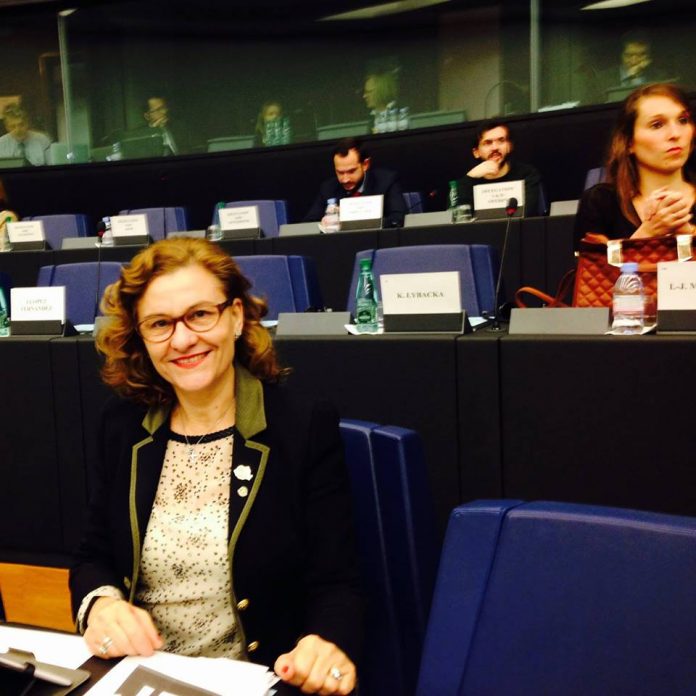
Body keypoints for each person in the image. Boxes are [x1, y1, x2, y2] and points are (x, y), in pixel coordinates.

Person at [69, 238, 362, 695]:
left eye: (200, 315)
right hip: (139, 677)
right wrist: (101, 606)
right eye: (160, 323)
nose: (182, 339)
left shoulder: (300, 426)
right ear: (141, 337)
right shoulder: (122, 424)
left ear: (236, 317)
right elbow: (94, 555)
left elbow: (338, 580)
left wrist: (326, 643)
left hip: (254, 681)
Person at [575, 83, 695, 248]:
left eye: (683, 120)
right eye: (657, 125)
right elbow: (588, 263)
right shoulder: (601, 202)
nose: (675, 134)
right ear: (629, 142)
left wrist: (689, 237)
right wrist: (647, 233)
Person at [305, 137, 406, 227]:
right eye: (340, 172)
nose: (345, 179)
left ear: (365, 164)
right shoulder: (328, 188)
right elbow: (309, 223)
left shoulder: (386, 181)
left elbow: (397, 219)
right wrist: (323, 222)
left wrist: (361, 221)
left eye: (351, 171)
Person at [455, 121, 542, 215]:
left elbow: (528, 214)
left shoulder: (527, 174)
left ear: (509, 146)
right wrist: (469, 178)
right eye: (488, 143)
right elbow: (456, 216)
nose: (495, 147)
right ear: (476, 152)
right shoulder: (468, 181)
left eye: (501, 141)